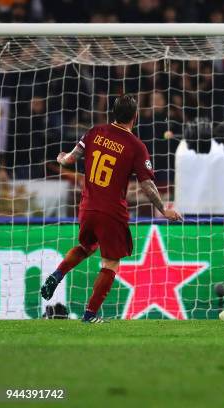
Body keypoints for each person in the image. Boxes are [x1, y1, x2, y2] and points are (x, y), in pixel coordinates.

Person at [40, 94, 182, 323]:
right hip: (111, 211)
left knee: (86, 246)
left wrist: (62, 158)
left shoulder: (95, 131)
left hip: (86, 207)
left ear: (113, 114)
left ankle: (58, 274)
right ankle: (89, 315)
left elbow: (70, 159)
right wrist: (163, 209)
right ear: (135, 117)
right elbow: (147, 184)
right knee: (111, 263)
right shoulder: (136, 146)